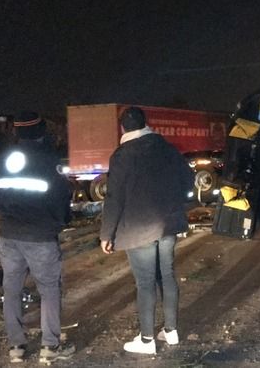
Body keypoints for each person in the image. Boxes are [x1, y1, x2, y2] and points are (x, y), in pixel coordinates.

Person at [100, 107, 194, 355]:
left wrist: (106, 234)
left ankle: (146, 339)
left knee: (145, 283)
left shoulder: (122, 156)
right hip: (168, 224)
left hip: (139, 228)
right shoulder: (166, 148)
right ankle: (171, 331)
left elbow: (114, 197)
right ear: (146, 124)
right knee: (167, 275)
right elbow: (188, 180)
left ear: (123, 128)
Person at [0, 111, 75, 364]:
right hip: (41, 236)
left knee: (11, 289)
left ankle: (16, 347)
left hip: (10, 234)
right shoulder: (48, 160)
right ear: (40, 132)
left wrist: (7, 214)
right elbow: (61, 196)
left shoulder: (3, 159)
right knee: (49, 290)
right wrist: (60, 222)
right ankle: (49, 348)